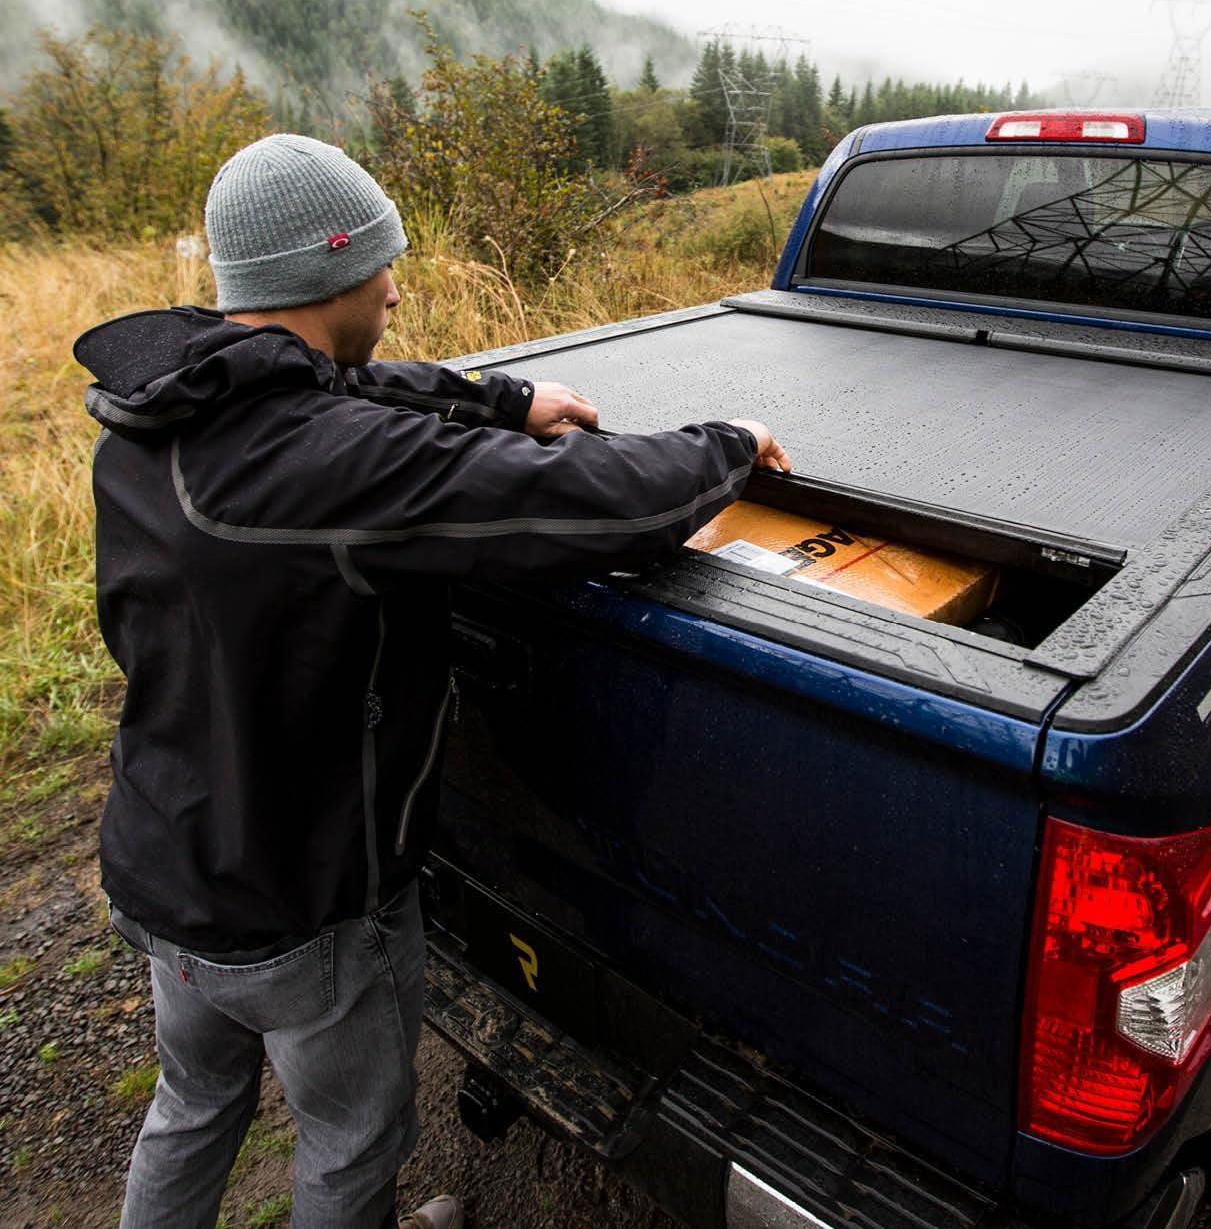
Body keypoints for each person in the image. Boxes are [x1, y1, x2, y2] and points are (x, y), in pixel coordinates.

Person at [75, 133, 791, 1229]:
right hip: (302, 903)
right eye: (382, 265)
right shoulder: (322, 465)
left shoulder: (160, 409)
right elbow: (594, 505)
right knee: (354, 1137)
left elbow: (339, 389)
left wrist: (502, 400)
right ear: (326, 272)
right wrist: (728, 444)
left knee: (192, 1102)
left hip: (165, 859)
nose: (397, 289)